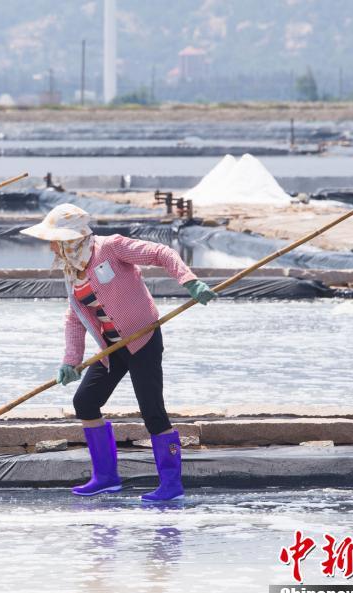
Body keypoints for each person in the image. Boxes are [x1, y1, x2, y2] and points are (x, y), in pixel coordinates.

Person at [20, 203, 216, 502]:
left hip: (142, 340)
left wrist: (188, 281)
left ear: (70, 238)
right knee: (85, 402)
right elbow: (75, 317)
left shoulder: (110, 247)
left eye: (54, 241)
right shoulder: (72, 270)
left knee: (153, 412)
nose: (51, 249)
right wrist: (71, 362)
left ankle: (171, 485)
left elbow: (160, 253)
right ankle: (106, 477)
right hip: (111, 348)